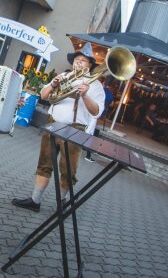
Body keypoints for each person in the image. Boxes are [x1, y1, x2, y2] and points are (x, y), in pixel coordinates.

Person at [12, 42, 105, 212]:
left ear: (90, 64)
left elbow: (96, 112)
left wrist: (85, 95)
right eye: (77, 59)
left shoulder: (96, 85)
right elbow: (44, 95)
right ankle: (35, 200)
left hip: (75, 129)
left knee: (68, 169)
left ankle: (61, 202)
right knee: (44, 163)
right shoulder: (64, 75)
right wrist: (54, 84)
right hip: (52, 123)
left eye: (83, 60)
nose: (78, 62)